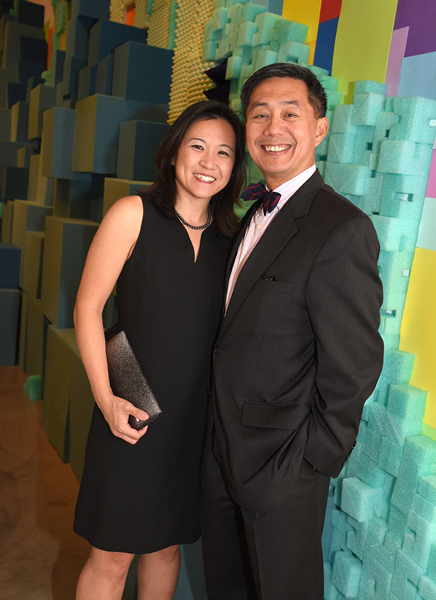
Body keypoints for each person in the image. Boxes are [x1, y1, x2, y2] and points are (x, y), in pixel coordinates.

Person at [200, 63, 384, 600]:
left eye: (290, 114)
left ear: (319, 128)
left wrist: (310, 462)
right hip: (220, 453)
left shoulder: (342, 228)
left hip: (284, 468)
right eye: (259, 115)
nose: (273, 128)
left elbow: (353, 367)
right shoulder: (249, 215)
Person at [73, 100, 246, 600]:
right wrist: (108, 400)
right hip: (131, 403)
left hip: (193, 421)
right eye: (196, 146)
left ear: (235, 167)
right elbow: (89, 310)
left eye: (224, 152)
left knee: (166, 548)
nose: (208, 162)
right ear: (173, 153)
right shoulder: (133, 214)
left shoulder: (232, 237)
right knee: (112, 554)